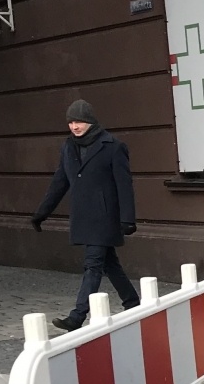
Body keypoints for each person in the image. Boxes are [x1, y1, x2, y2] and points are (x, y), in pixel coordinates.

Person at [33, 100, 140, 332]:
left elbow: (124, 185)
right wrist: (42, 213)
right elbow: (60, 182)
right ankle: (133, 303)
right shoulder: (68, 147)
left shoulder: (113, 146)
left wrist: (128, 219)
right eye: (71, 122)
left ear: (90, 121)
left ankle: (77, 316)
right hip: (84, 216)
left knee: (93, 265)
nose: (75, 126)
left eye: (79, 122)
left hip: (105, 217)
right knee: (110, 264)